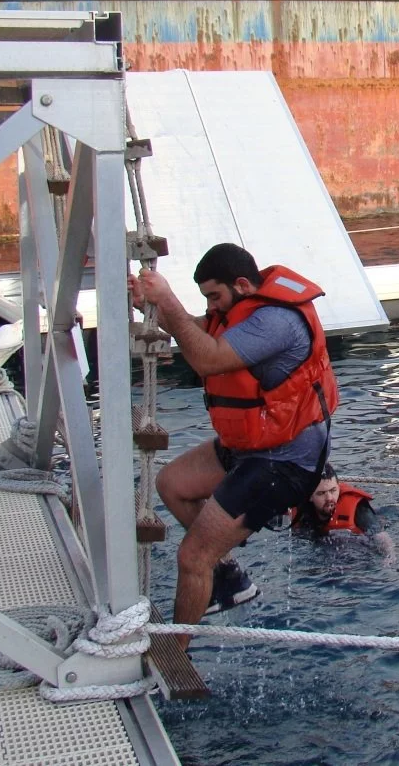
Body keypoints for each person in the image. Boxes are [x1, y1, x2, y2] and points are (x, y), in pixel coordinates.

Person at [134, 243, 339, 645]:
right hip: (251, 445)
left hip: (285, 462)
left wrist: (167, 299)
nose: (212, 307)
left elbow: (208, 358)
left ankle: (178, 652)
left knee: (193, 557)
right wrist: (150, 305)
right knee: (171, 484)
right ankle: (228, 578)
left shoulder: (276, 321)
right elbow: (197, 329)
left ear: (242, 285)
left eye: (215, 296)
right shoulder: (238, 311)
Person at [292, 462, 396, 559]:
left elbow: (380, 536)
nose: (329, 498)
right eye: (321, 493)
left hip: (359, 552)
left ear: (338, 487)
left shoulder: (359, 509)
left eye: (333, 490)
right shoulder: (299, 510)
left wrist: (389, 558)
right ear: (309, 496)